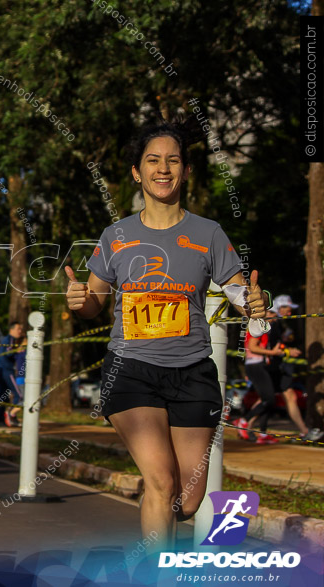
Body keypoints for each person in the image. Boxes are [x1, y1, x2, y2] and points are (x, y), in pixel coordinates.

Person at [65, 119, 268, 549]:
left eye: (173, 160)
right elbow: (95, 302)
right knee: (160, 481)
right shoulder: (115, 236)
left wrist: (252, 301)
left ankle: (155, 543)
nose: (163, 169)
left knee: (188, 499)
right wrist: (81, 301)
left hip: (192, 371)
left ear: (186, 171)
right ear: (137, 172)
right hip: (131, 369)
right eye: (152, 160)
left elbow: (236, 290)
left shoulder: (208, 232)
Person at [239, 299, 306, 443]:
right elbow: (253, 347)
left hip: (260, 365)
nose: (271, 316)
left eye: (271, 313)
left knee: (269, 400)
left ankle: (261, 433)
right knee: (268, 399)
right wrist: (274, 353)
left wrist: (278, 351)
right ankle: (244, 421)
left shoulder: (265, 325)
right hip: (256, 365)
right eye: (269, 312)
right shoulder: (259, 324)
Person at [0, 322, 25, 427]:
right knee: (19, 395)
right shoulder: (10, 339)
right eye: (18, 329)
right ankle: (11, 415)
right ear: (11, 330)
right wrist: (18, 350)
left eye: (21, 329)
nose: (20, 331)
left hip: (0, 370)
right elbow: (8, 352)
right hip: (7, 370)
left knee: (2, 397)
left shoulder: (7, 339)